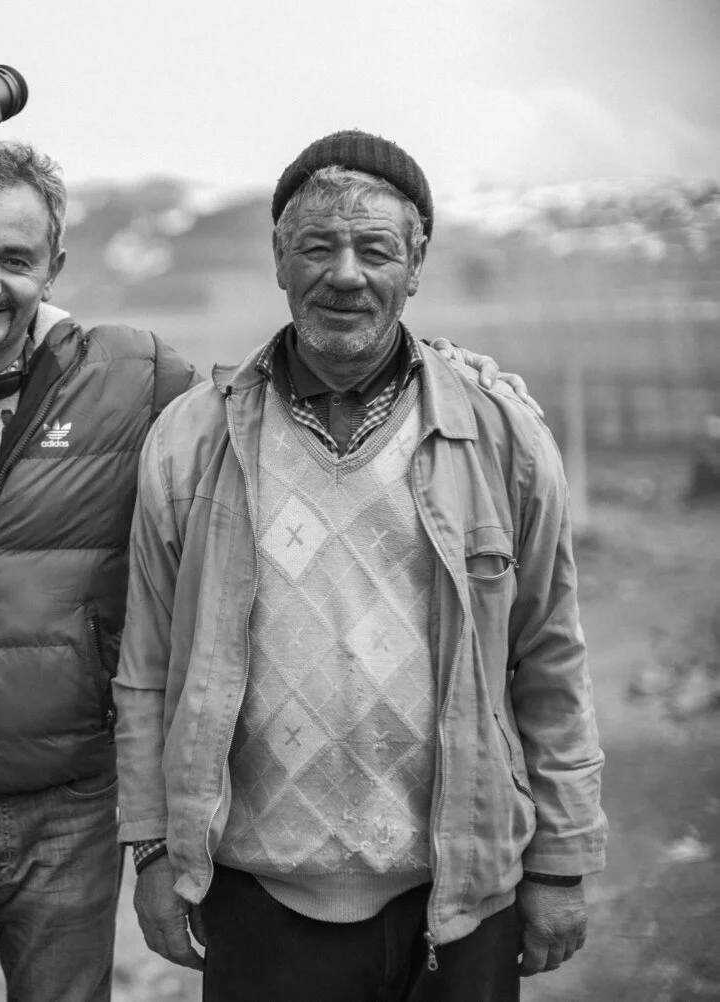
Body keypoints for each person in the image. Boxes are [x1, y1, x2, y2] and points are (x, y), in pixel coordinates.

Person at [0, 139, 524, 1001]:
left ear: (54, 267)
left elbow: (268, 403)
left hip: (68, 804)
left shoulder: (133, 375)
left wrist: (439, 375)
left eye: (15, 258)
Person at [115, 131, 607, 1002]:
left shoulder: (501, 436)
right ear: (279, 259)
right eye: (318, 246)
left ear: (415, 267)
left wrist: (561, 862)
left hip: (458, 899)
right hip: (258, 899)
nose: (346, 274)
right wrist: (154, 849)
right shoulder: (191, 440)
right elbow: (148, 670)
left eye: (375, 249)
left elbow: (551, 661)